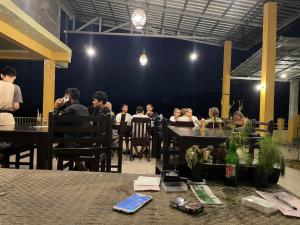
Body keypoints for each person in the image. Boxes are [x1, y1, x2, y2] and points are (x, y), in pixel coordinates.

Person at [53, 88, 90, 171]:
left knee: (53, 147)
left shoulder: (68, 110)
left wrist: (56, 108)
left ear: (68, 97)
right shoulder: (85, 108)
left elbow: (54, 125)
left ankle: (44, 169)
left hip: (72, 147)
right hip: (86, 145)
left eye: (64, 96)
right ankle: (78, 164)